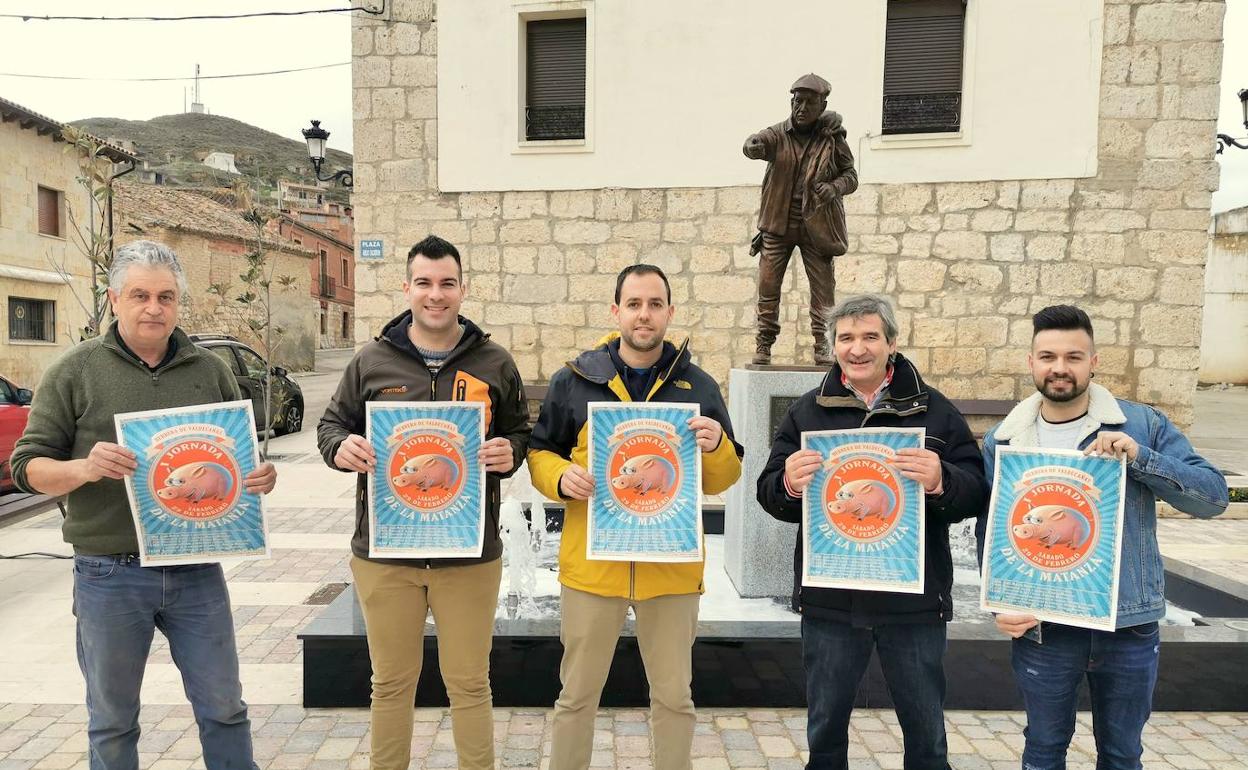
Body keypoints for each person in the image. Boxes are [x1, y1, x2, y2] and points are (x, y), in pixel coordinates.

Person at [10, 240, 278, 770]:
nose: (153, 308)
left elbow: (235, 456)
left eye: (165, 297)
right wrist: (84, 468)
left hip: (197, 568)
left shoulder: (210, 370)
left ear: (179, 303)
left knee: (224, 708)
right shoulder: (74, 370)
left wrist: (258, 478)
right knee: (112, 720)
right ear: (114, 299)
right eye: (140, 295)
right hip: (108, 572)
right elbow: (26, 468)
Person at [979, 305, 1228, 770]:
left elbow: (1212, 498)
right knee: (1043, 751)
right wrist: (999, 602)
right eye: (1048, 356)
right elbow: (993, 529)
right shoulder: (1005, 440)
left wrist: (1141, 457)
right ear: (1031, 362)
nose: (1060, 368)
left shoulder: (1141, 425)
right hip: (1043, 629)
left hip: (1126, 625)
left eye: (1074, 356)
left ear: (1094, 362)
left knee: (1121, 754)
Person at [317, 234, 530, 770]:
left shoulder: (495, 362)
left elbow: (521, 433)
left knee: (470, 683)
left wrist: (512, 451)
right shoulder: (371, 361)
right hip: (386, 556)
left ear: (462, 289)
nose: (436, 295)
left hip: (469, 555)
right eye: (425, 283)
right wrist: (342, 447)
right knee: (390, 683)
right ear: (407, 287)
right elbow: (330, 425)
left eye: (447, 284)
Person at [756, 294, 988, 770]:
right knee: (824, 736)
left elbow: (975, 492)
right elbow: (768, 493)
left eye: (869, 337)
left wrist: (943, 479)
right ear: (833, 347)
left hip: (913, 603)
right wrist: (788, 483)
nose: (857, 348)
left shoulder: (935, 411)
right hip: (832, 602)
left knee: (926, 735)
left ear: (891, 343)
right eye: (846, 338)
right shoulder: (807, 413)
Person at [528, 264, 743, 770]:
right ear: (616, 311)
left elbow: (724, 476)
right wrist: (560, 478)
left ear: (669, 312)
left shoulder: (699, 386)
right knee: (576, 696)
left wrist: (714, 448)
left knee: (674, 699)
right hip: (592, 571)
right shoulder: (574, 380)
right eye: (633, 304)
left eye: (654, 305)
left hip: (670, 572)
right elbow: (540, 451)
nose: (643, 315)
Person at [743, 72, 859, 366]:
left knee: (823, 292)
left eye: (809, 102)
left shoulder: (832, 139)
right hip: (777, 226)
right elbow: (756, 144)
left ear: (823, 105)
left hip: (816, 227)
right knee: (768, 287)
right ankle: (764, 343)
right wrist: (752, 146)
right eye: (798, 101)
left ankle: (823, 344)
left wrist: (833, 188)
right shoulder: (777, 134)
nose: (802, 108)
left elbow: (851, 176)